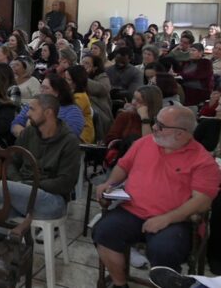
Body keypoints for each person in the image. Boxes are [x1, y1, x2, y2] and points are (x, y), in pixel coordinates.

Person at [93, 106, 221, 288]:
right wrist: (110, 182)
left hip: (176, 220)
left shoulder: (203, 161)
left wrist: (166, 219)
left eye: (160, 126)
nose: (153, 127)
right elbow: (123, 166)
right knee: (103, 232)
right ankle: (120, 284)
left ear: (180, 133)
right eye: (155, 122)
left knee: (164, 250)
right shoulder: (145, 143)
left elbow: (202, 202)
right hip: (133, 210)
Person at [0, 93, 80, 234]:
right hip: (24, 194)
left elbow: (66, 182)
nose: (27, 114)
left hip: (52, 201)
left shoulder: (69, 141)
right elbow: (10, 161)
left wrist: (30, 185)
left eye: (32, 109)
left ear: (48, 113)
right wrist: (19, 182)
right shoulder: (29, 133)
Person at [11, 73, 84, 139]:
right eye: (41, 87)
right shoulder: (32, 105)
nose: (41, 91)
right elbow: (16, 123)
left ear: (57, 92)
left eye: (46, 88)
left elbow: (71, 134)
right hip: (29, 145)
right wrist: (28, 137)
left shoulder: (72, 110)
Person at [65, 65, 96, 143]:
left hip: (83, 136)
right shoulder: (72, 93)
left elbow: (71, 115)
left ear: (76, 81)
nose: (65, 81)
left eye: (68, 79)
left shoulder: (80, 97)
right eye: (65, 78)